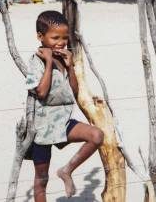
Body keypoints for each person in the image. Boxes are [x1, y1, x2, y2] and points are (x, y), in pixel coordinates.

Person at [25, 11, 104, 201]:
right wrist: (49, 62)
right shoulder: (36, 62)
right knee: (41, 180)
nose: (61, 42)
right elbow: (42, 93)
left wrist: (70, 66)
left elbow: (74, 92)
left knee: (96, 135)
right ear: (40, 36)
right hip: (41, 128)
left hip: (62, 121)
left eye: (64, 38)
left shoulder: (64, 59)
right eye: (55, 38)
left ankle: (66, 170)